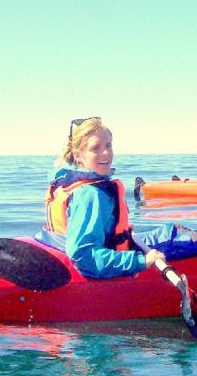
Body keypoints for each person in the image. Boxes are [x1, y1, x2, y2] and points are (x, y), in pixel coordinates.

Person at [40, 118, 166, 279]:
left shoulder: (68, 184)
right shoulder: (90, 194)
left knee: (170, 233)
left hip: (60, 250)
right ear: (78, 155)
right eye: (95, 148)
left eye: (108, 145)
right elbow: (82, 255)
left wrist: (113, 228)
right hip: (95, 266)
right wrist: (141, 261)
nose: (105, 153)